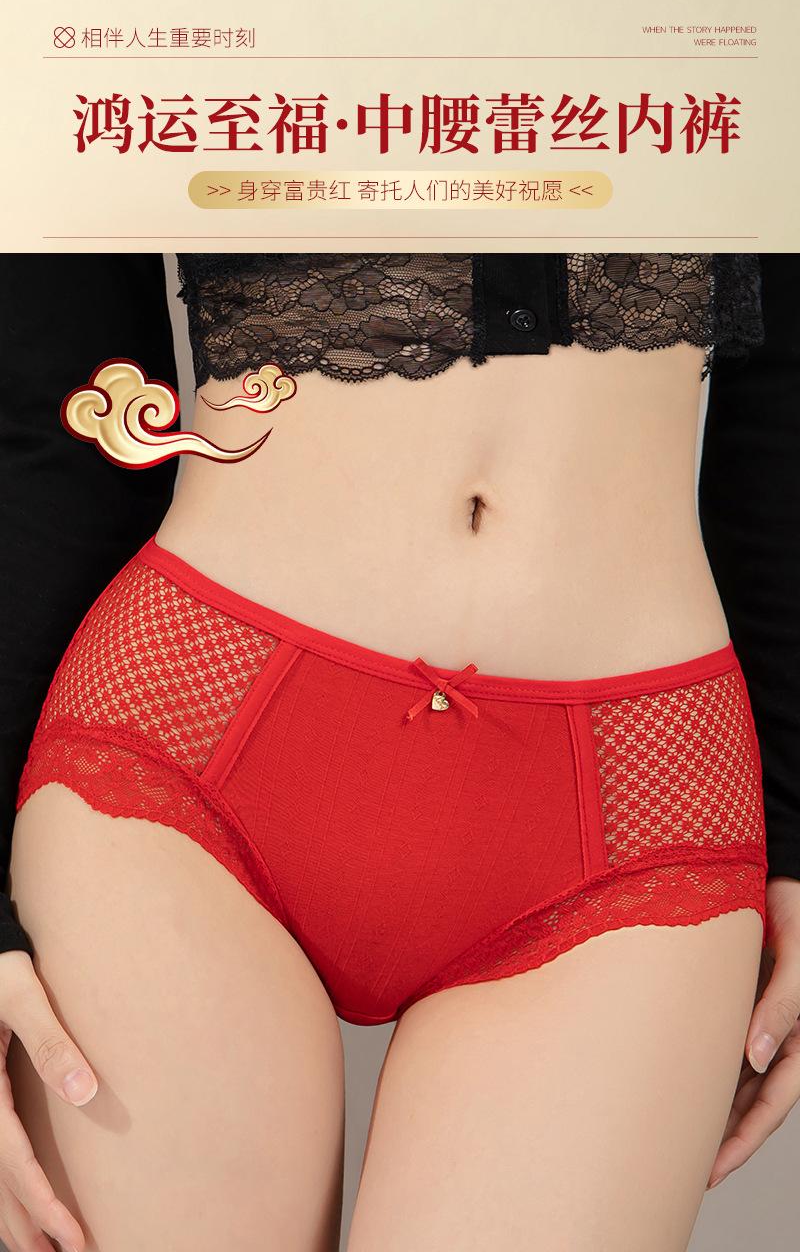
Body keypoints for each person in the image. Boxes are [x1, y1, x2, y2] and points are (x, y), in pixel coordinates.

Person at [0, 252, 798, 1252]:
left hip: (637, 784)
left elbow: (784, 396)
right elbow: (56, 413)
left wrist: (797, 826)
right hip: (190, 737)